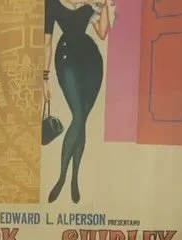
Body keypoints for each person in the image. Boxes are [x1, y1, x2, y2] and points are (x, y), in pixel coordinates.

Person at [44, 0, 111, 204]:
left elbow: (102, 33)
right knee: (79, 117)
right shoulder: (51, 3)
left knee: (81, 121)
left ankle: (74, 178)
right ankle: (62, 177)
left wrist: (105, 3)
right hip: (66, 58)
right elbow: (47, 42)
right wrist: (44, 78)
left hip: (91, 61)